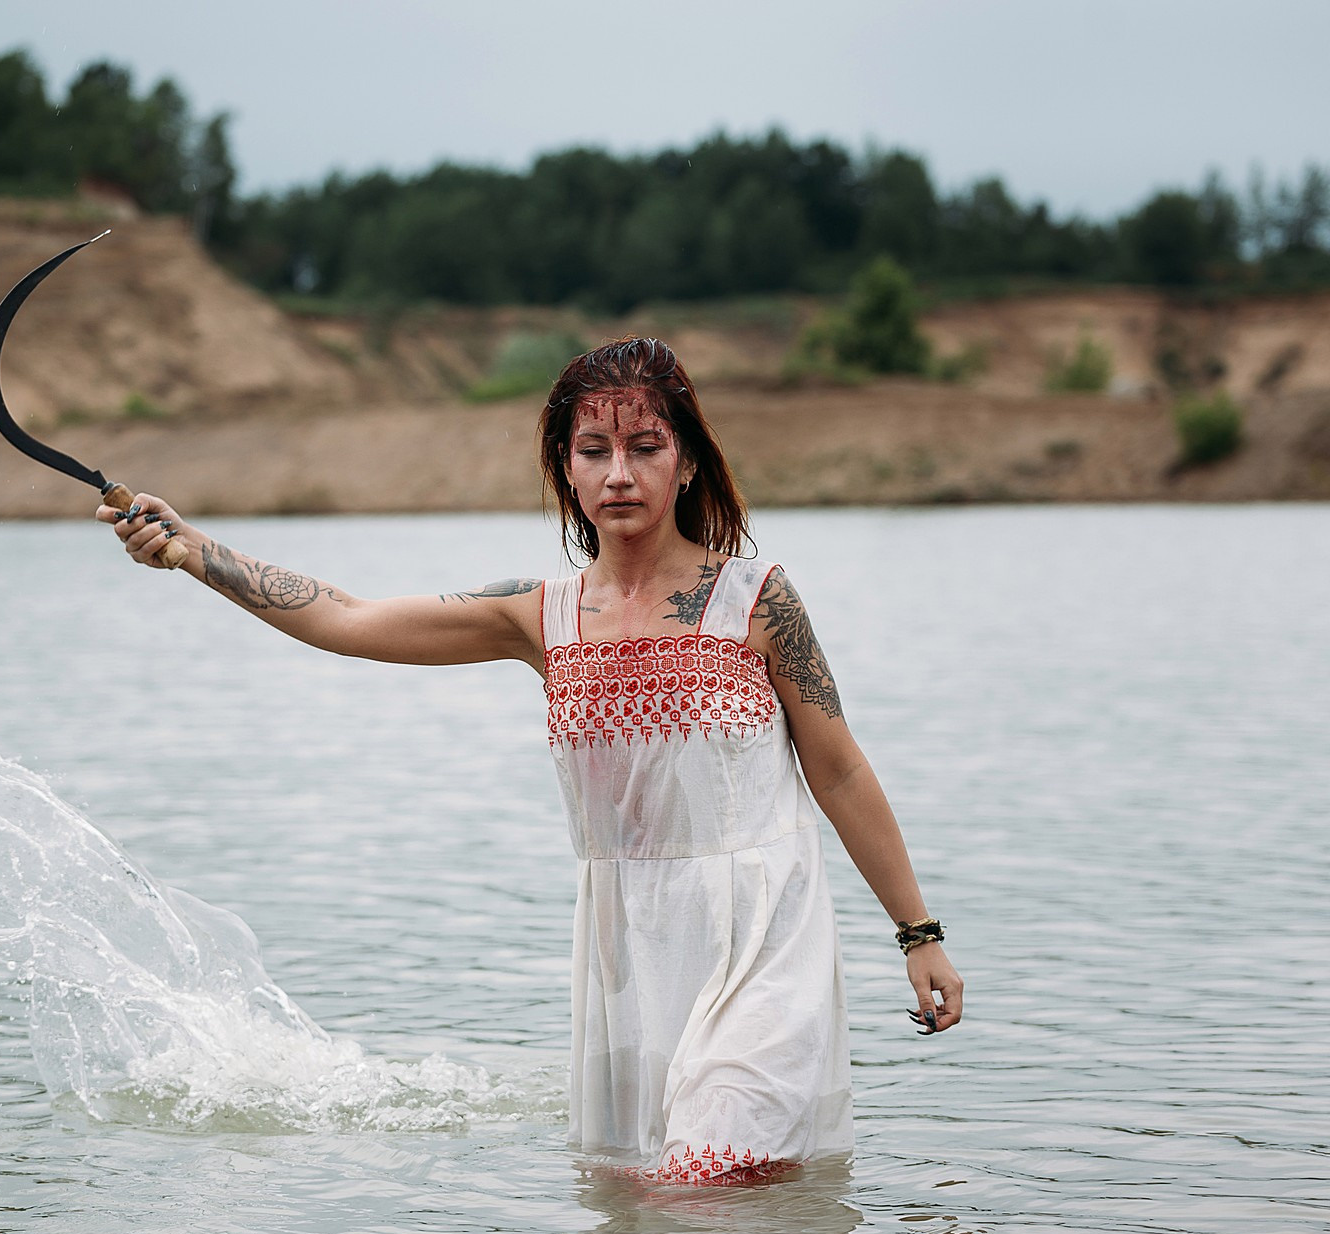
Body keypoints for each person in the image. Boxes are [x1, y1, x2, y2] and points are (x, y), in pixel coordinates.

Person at [97, 337, 964, 1185]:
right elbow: (346, 619)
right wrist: (191, 550)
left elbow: (840, 770)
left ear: (689, 462)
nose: (619, 473)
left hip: (763, 935)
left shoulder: (756, 599)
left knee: (710, 1182)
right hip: (629, 948)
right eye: (594, 450)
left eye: (645, 447)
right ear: (567, 470)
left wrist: (917, 933)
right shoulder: (539, 615)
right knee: (640, 1220)